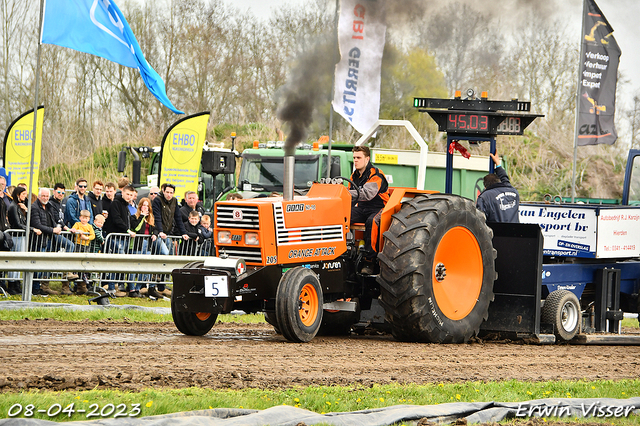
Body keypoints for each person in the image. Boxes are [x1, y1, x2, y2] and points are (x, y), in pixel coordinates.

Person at [348, 146, 390, 274]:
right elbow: (349, 196)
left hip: (379, 208)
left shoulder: (376, 175)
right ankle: (347, 250)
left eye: (359, 158)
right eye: (354, 158)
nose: (355, 160)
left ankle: (369, 260)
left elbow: (367, 194)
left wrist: (345, 193)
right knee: (341, 215)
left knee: (372, 221)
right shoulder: (354, 176)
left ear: (367, 159)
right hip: (362, 208)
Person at [30, 188, 76, 295]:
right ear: (39, 196)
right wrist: (53, 230)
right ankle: (35, 288)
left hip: (50, 238)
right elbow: (37, 224)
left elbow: (55, 220)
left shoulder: (50, 206)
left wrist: (62, 228)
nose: (45, 198)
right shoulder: (34, 207)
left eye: (47, 196)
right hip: (39, 239)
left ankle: (44, 286)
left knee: (47, 262)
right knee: (38, 265)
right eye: (43, 196)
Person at [103, 184, 138, 297]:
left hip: (124, 237)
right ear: (122, 192)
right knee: (117, 261)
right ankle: (112, 287)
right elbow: (117, 219)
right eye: (127, 194)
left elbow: (127, 220)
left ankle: (116, 285)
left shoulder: (126, 206)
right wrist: (127, 230)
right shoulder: (116, 203)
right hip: (116, 237)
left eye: (131, 195)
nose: (129, 197)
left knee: (121, 262)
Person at [476, 152, 520, 223]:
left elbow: (479, 220)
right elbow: (505, 179)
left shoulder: (484, 197)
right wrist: (498, 164)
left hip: (496, 233)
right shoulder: (513, 191)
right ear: (499, 181)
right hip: (515, 233)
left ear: (485, 187)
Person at [129, 197, 159, 298]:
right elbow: (136, 228)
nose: (145, 207)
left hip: (147, 244)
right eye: (144, 205)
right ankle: (132, 289)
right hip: (138, 244)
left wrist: (155, 234)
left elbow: (155, 228)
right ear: (140, 206)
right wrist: (142, 217)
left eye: (147, 205)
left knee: (145, 268)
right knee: (135, 267)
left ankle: (138, 288)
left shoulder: (151, 218)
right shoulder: (134, 217)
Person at [5, 187, 28, 295]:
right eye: (23, 194)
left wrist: (26, 210)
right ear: (18, 195)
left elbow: (24, 221)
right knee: (14, 260)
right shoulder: (13, 206)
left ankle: (16, 283)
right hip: (16, 236)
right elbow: (18, 224)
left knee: (19, 260)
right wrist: (31, 229)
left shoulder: (19, 206)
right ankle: (12, 284)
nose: (25, 196)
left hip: (21, 235)